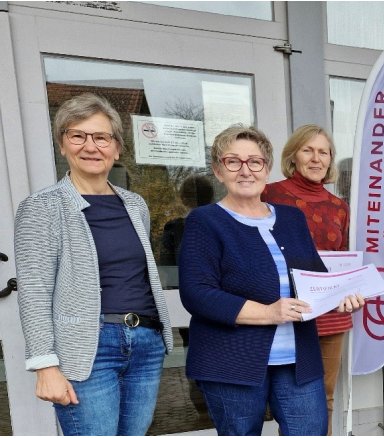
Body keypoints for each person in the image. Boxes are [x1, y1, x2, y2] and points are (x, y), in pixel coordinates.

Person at [178, 125, 363, 436]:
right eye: (233, 161)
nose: (245, 170)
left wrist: (339, 296)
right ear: (218, 171)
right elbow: (197, 293)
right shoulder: (205, 221)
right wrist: (268, 313)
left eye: (255, 161)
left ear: (266, 167)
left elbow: (314, 278)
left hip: (298, 359)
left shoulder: (291, 218)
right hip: (232, 361)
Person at [14, 93, 174, 435]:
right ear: (62, 145)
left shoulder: (135, 204)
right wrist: (45, 365)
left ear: (116, 148)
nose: (91, 146)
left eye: (101, 137)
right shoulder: (41, 207)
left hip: (145, 343)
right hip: (88, 349)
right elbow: (34, 291)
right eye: (78, 135)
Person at [261, 124, 364, 434]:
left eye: (323, 152)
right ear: (294, 156)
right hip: (285, 313)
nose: (316, 158)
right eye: (308, 150)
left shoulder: (339, 207)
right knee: (289, 402)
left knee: (325, 398)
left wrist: (351, 289)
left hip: (330, 316)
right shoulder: (270, 194)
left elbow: (343, 258)